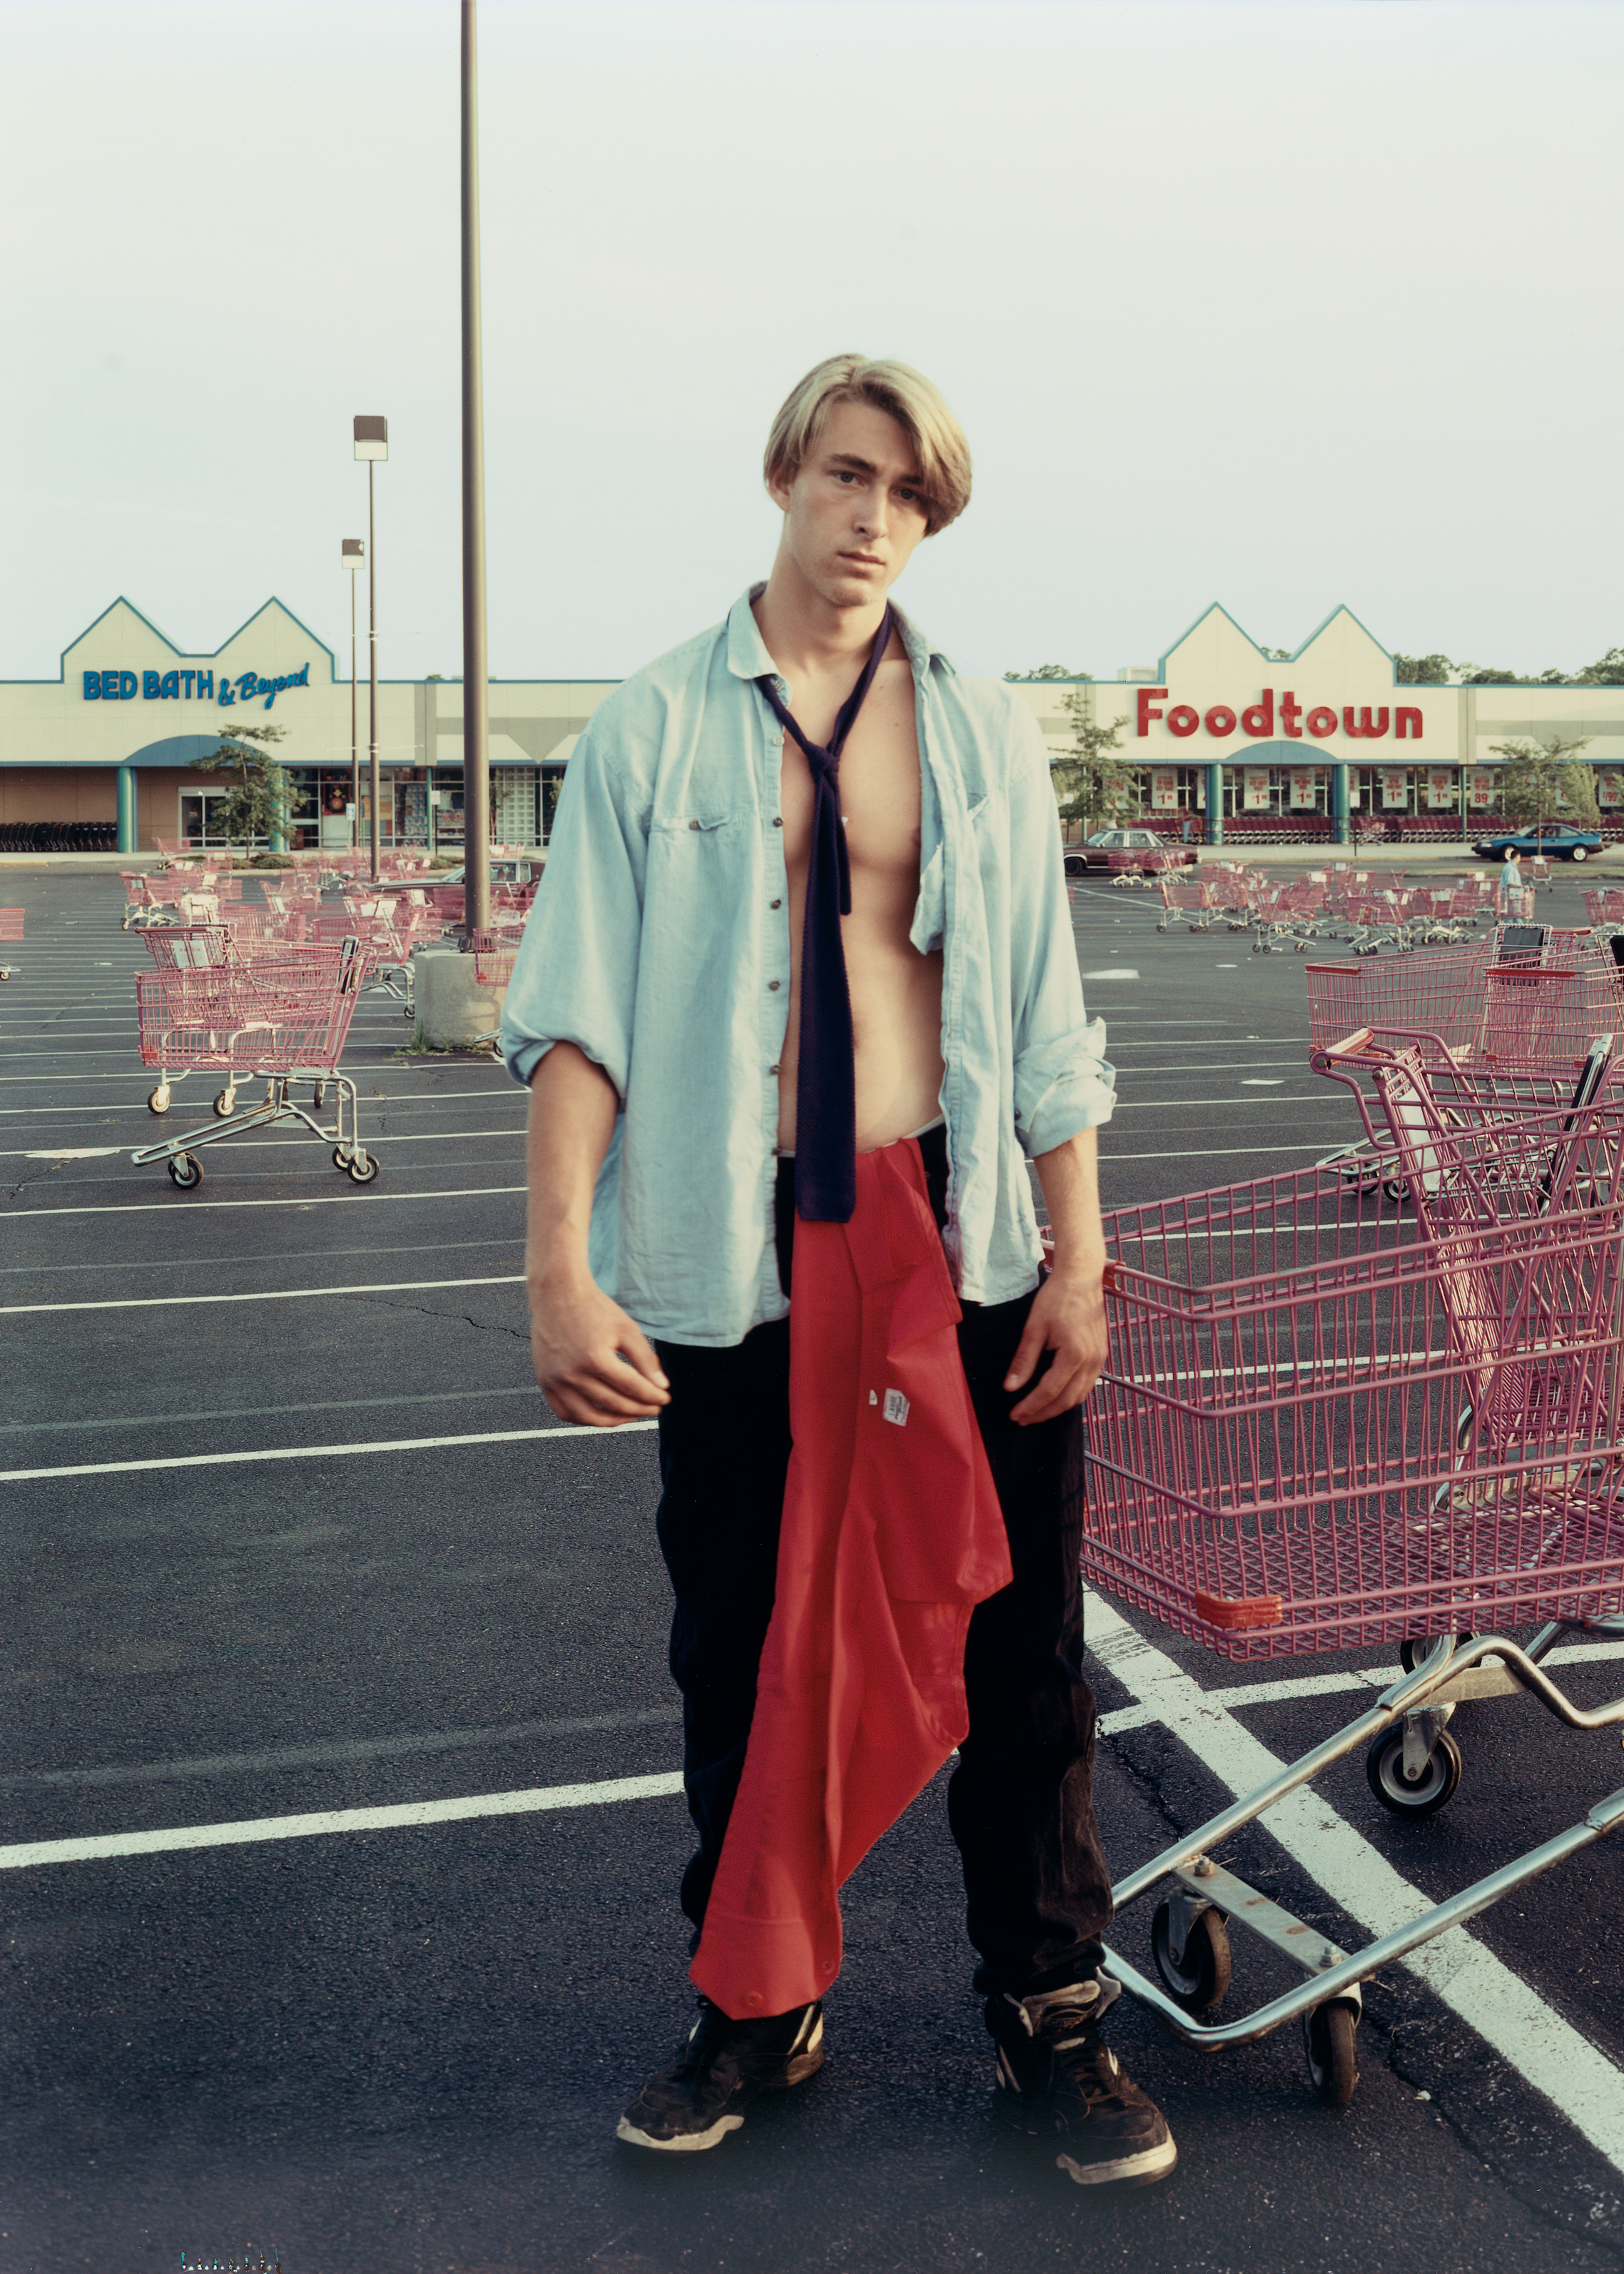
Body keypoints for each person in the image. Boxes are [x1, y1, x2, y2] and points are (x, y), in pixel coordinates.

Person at [502, 354, 1172, 2188]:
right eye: (853, 476)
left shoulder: (975, 730)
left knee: (1018, 1646)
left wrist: (1077, 1256)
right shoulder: (650, 726)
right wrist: (561, 1269)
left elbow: (1042, 1012)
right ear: (785, 473)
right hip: (731, 1254)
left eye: (914, 498)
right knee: (737, 1644)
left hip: (949, 1235)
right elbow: (574, 1022)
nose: (878, 518)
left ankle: (1053, 2009)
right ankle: (756, 2004)